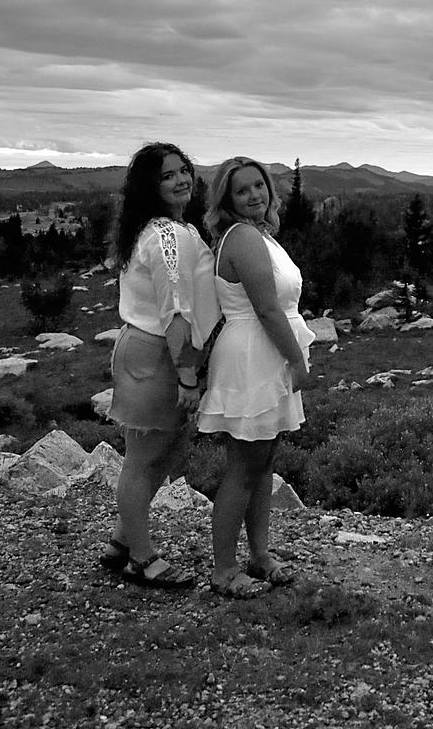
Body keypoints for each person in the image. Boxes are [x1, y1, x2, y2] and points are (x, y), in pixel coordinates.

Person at [99, 142, 219, 590]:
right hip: (156, 353)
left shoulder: (168, 228)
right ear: (150, 186)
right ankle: (141, 558)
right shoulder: (167, 236)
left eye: (183, 170)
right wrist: (187, 375)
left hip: (151, 350)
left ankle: (122, 539)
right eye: (167, 175)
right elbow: (175, 311)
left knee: (165, 451)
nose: (180, 179)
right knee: (143, 459)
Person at [197, 156, 316, 599]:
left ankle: (259, 554)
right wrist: (296, 360)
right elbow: (266, 308)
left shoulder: (259, 234)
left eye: (259, 185)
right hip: (254, 355)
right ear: (227, 199)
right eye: (242, 190)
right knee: (244, 468)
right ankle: (224, 569)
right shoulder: (244, 237)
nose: (254, 195)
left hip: (263, 354)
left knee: (263, 463)